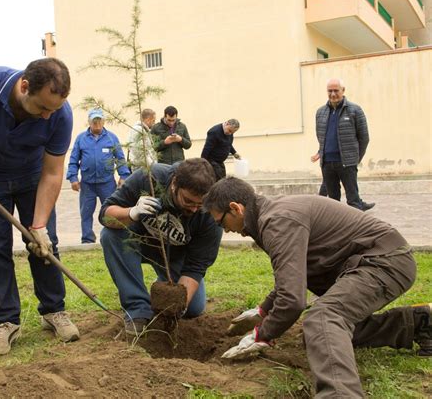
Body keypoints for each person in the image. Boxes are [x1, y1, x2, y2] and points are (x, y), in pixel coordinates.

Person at [203, 176, 431, 398]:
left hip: (385, 261)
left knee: (322, 318)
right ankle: (420, 324)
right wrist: (262, 311)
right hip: (368, 261)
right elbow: (292, 277)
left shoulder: (278, 222)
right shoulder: (270, 215)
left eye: (221, 222)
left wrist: (262, 335)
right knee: (320, 336)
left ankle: (340, 394)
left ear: (235, 208)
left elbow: (293, 300)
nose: (225, 230)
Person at [0, 58, 80, 355]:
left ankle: (53, 311)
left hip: (32, 178)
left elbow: (52, 172)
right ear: (24, 87)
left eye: (54, 109)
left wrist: (38, 225)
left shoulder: (59, 115)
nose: (48, 116)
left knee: (43, 246)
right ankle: (5, 322)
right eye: (42, 108)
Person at [99, 158, 222, 336]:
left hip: (176, 256)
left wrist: (175, 306)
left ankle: (161, 288)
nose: (195, 209)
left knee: (193, 308)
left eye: (199, 204)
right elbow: (105, 215)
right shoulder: (149, 178)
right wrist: (131, 212)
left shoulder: (210, 213)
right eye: (188, 201)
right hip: (138, 243)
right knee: (110, 234)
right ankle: (137, 309)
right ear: (174, 184)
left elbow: (196, 267)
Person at [66, 108, 131, 244]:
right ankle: (87, 239)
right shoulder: (81, 139)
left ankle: (113, 237)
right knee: (86, 212)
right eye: (94, 122)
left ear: (103, 122)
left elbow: (120, 158)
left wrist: (123, 176)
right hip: (87, 183)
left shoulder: (111, 138)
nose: (97, 124)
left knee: (111, 211)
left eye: (99, 121)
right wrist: (73, 178)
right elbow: (73, 160)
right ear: (89, 123)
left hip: (107, 183)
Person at [314, 78, 375, 211]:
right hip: (327, 164)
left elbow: (364, 138)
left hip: (347, 162)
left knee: (352, 199)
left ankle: (357, 226)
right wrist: (321, 152)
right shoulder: (320, 113)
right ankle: (335, 227)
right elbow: (321, 136)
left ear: (343, 91)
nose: (333, 94)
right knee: (332, 202)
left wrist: (355, 158)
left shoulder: (355, 110)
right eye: (330, 91)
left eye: (336, 90)